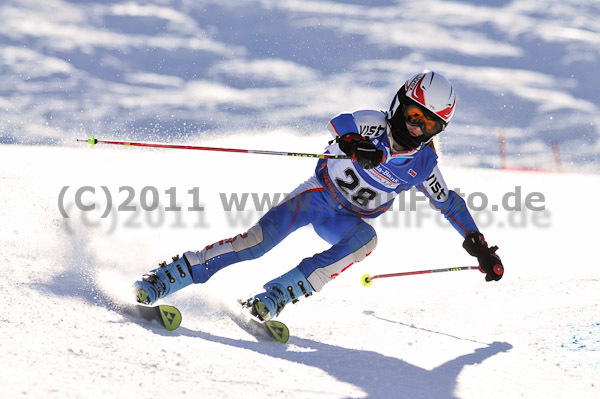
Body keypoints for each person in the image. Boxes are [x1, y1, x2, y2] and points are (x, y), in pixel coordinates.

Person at [134, 70, 504, 321]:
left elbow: (449, 203)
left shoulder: (423, 163)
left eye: (429, 124)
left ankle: (277, 295)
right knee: (257, 243)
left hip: (348, 221)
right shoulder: (374, 122)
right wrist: (358, 145)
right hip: (317, 195)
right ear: (398, 104)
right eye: (412, 114)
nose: (416, 126)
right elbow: (341, 122)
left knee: (367, 241)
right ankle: (171, 275)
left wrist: (479, 245)